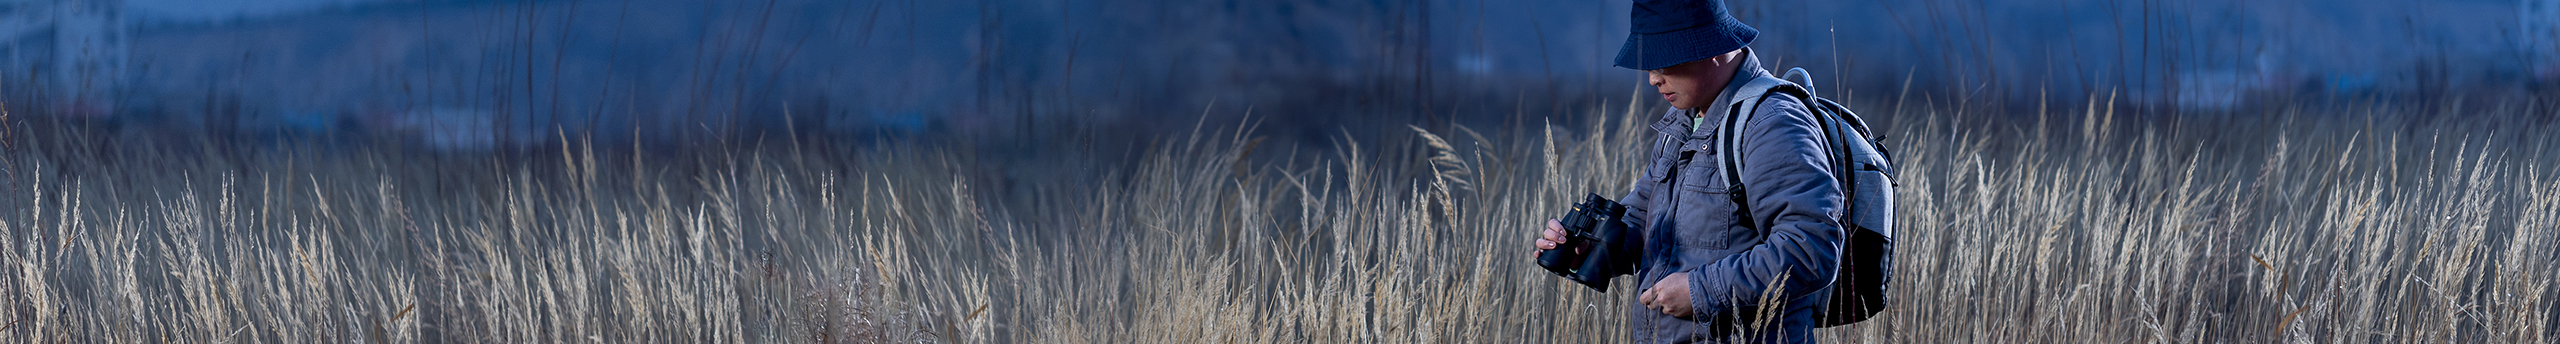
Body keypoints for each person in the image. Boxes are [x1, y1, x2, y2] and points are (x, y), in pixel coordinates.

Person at [1533, 0, 1845, 342]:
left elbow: (1810, 248)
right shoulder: (1686, 118)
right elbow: (1645, 218)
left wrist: (1700, 291)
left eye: (1665, 62)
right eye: (1649, 66)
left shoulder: (1772, 123)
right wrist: (1591, 247)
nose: (1653, 79)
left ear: (1712, 47)